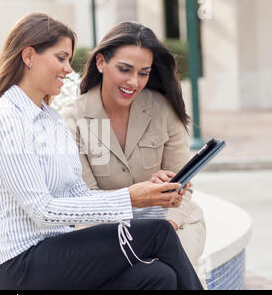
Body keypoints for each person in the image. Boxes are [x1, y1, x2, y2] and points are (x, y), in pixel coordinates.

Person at [0, 12, 203, 290]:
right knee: (158, 234)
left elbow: (79, 195)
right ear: (29, 56)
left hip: (62, 255)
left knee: (159, 277)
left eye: (69, 60)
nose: (67, 70)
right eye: (60, 58)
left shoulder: (51, 119)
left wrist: (148, 193)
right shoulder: (7, 117)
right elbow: (42, 211)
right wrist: (129, 198)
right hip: (24, 265)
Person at [60, 21, 206, 268]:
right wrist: (138, 196)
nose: (134, 82)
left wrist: (165, 224)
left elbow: (184, 188)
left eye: (143, 73)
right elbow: (86, 201)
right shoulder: (73, 119)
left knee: (168, 273)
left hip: (172, 224)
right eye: (124, 69)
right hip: (105, 230)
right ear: (100, 62)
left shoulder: (164, 110)